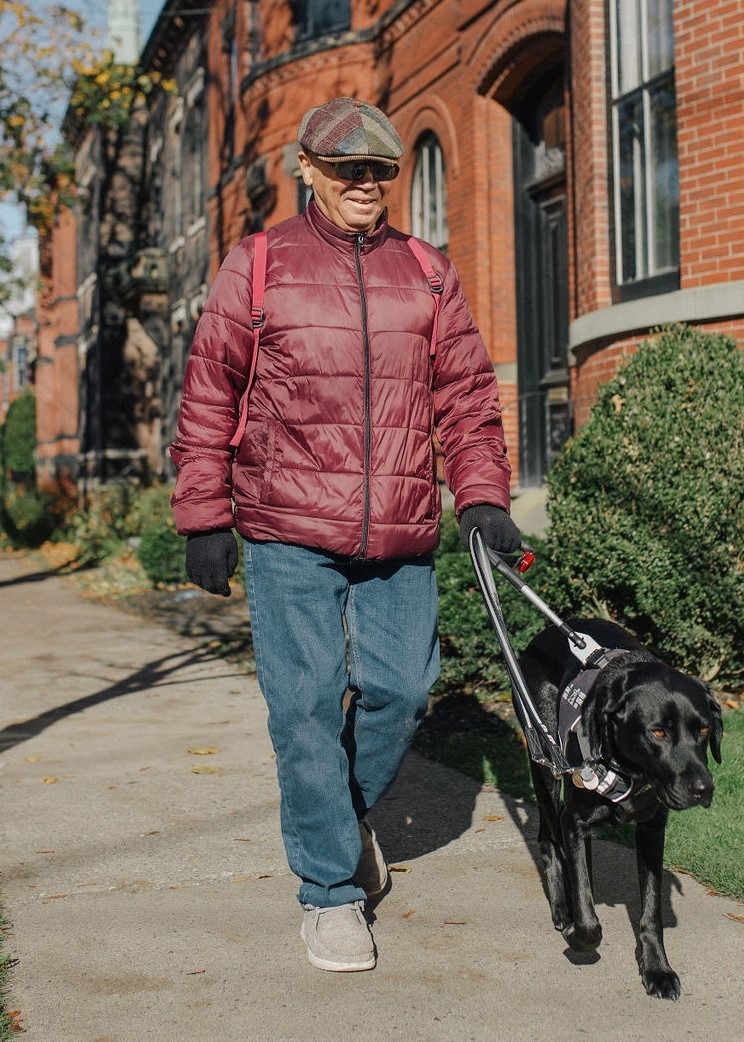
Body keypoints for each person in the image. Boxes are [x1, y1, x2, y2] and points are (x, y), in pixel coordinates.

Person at [169, 97, 520, 973]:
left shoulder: (428, 273)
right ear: (309, 171)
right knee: (304, 707)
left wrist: (481, 498)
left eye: (379, 172)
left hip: (399, 527)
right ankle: (329, 893)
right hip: (286, 526)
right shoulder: (258, 266)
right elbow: (210, 392)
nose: (366, 185)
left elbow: (468, 400)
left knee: (403, 692)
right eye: (347, 169)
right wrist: (204, 515)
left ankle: (338, 817)